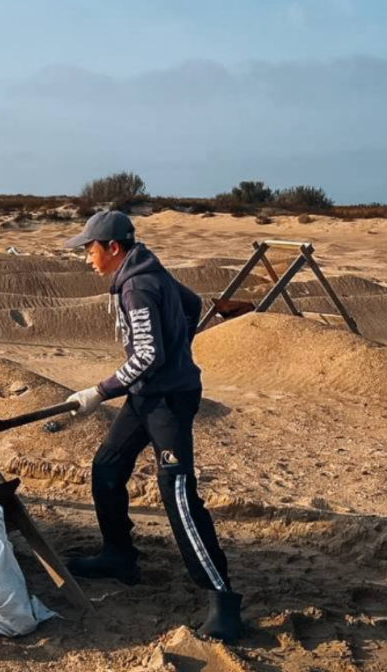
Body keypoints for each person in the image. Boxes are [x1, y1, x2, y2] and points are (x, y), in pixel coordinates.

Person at [61, 210, 243, 644]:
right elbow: (191, 304)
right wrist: (177, 347)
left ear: (113, 248)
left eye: (89, 250)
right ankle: (118, 555)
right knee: (108, 467)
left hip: (167, 401)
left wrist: (98, 391)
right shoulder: (146, 267)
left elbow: (147, 356)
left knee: (176, 492)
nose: (87, 258)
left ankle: (223, 600)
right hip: (147, 394)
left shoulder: (137, 284)